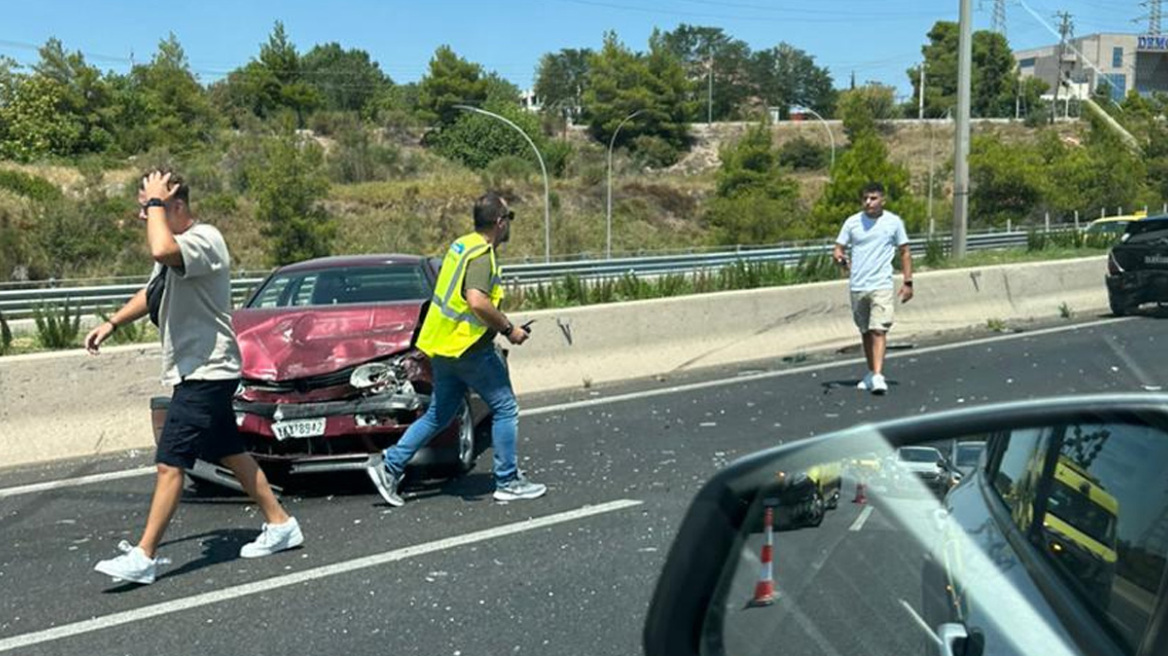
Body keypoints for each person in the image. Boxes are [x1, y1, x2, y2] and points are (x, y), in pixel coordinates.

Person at [85, 171, 303, 585]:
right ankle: (281, 524)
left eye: (151, 207)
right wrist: (112, 323)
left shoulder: (205, 240)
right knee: (229, 450)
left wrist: (156, 204)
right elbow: (151, 291)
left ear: (178, 205)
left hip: (207, 370)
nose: (144, 216)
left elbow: (160, 248)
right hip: (198, 370)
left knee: (170, 463)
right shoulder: (176, 248)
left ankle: (144, 556)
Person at [367, 192, 546, 506]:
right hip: (469, 349)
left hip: (445, 347)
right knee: (505, 408)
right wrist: (509, 329)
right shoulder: (482, 255)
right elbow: (477, 301)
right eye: (509, 217)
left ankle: (390, 466)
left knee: (439, 414)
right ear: (500, 222)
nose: (510, 224)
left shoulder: (462, 245)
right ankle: (508, 481)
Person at [832, 182, 914, 395]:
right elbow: (838, 248)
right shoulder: (852, 223)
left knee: (879, 329)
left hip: (881, 284)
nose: (868, 202)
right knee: (866, 330)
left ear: (882, 200)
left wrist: (908, 282)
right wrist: (840, 258)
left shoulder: (893, 222)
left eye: (873, 198)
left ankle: (878, 375)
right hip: (858, 284)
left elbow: (905, 251)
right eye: (865, 198)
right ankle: (871, 372)